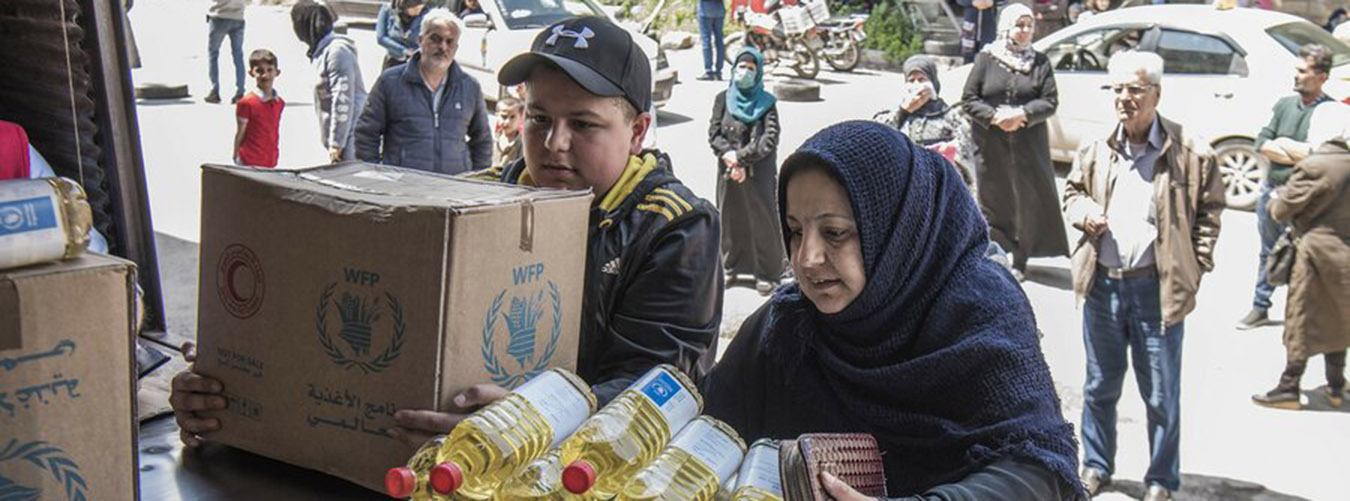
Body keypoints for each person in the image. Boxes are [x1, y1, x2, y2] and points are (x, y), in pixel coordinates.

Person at [170, 16, 722, 448]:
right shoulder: (471, 202)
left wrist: (532, 419)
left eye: (582, 124)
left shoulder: (674, 229)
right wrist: (241, 372)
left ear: (638, 130)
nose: (554, 143)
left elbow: (658, 395)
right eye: (537, 118)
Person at [702, 120, 1081, 500]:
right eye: (795, 230)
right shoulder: (786, 328)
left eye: (835, 232)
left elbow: (1037, 471)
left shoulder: (982, 319)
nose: (807, 258)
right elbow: (705, 432)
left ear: (899, 230)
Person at [1063, 51, 1225, 501]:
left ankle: (1161, 480)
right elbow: (1072, 192)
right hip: (1103, 285)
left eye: (1135, 89)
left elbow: (1210, 213)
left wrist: (1196, 267)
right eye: (1117, 89)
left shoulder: (1189, 151)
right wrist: (1084, 212)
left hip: (1157, 288)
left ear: (1157, 93)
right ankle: (1096, 466)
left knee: (1161, 395)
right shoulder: (1096, 147)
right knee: (1099, 387)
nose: (1124, 99)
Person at [1251, 102, 1350, 410]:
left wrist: (1276, 200)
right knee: (1340, 319)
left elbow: (1281, 210)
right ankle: (1336, 386)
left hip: (1312, 255)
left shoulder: (1313, 166)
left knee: (1300, 321)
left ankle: (1289, 387)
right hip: (1345, 254)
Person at [962, 3, 1067, 280]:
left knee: (1028, 200)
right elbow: (969, 99)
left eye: (1028, 26)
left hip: (1028, 145)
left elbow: (1050, 101)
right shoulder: (986, 59)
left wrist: (1023, 114)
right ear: (1006, 27)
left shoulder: (1040, 62)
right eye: (1019, 25)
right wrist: (995, 117)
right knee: (994, 200)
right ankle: (997, 252)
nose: (1024, 31)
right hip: (990, 143)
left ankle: (1022, 258)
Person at [1236, 44, 1334, 331]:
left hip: (1305, 197)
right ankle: (1260, 306)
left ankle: (1301, 313)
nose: (1297, 76)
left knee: (1305, 256)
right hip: (1272, 190)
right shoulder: (1283, 105)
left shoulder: (1328, 113)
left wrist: (1289, 149)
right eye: (1296, 70)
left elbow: (1322, 157)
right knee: (1269, 252)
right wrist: (1298, 152)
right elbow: (1262, 143)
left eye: (1303, 71)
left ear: (1322, 77)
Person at [355, 8, 492, 175]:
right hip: (404, 190)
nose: (443, 47)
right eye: (436, 39)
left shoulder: (470, 87)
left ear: (456, 48)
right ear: (420, 40)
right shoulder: (390, 82)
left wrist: (476, 181)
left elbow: (483, 140)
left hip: (453, 191)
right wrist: (377, 176)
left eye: (450, 41)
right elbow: (366, 134)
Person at [709, 47, 786, 295]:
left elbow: (768, 140)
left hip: (757, 172)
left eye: (751, 68)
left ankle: (766, 273)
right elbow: (714, 134)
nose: (745, 72)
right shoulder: (723, 99)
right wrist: (729, 157)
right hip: (728, 170)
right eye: (741, 66)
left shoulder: (767, 103)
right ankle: (729, 268)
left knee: (761, 219)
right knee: (730, 217)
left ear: (759, 72)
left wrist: (740, 159)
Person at [877, 55, 976, 189]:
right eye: (911, 81)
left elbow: (968, 153)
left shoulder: (950, 115)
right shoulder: (895, 113)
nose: (917, 86)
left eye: (922, 79)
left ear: (933, 82)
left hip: (941, 185)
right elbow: (877, 137)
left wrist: (949, 154)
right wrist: (904, 111)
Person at [291, 0, 367, 163]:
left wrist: (337, 143)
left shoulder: (337, 52)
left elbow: (342, 100)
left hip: (352, 138)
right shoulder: (321, 51)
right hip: (344, 138)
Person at [233, 49, 285, 169]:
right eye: (259, 71)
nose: (265, 75)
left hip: (270, 160)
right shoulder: (246, 103)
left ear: (277, 72)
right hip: (249, 161)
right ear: (251, 73)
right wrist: (236, 155)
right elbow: (240, 133)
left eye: (269, 70)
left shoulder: (279, 103)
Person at [205, 0, 246, 104]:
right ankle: (240, 92)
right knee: (238, 56)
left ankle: (214, 91)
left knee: (213, 54)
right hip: (238, 17)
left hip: (219, 16)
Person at [376, 0, 426, 70]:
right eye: (415, 8)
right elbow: (381, 38)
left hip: (415, 63)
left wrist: (416, 51)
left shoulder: (424, 14)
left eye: (420, 8)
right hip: (393, 60)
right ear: (405, 6)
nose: (418, 11)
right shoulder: (387, 9)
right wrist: (404, 50)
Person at [697, 0, 727, 80]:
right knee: (719, 41)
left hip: (705, 9)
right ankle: (719, 71)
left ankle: (708, 70)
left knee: (706, 40)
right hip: (719, 9)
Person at [492, 96, 524, 168]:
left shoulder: (523, 145)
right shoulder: (491, 141)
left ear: (521, 117)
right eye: (504, 117)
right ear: (497, 115)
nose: (507, 122)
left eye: (512, 117)